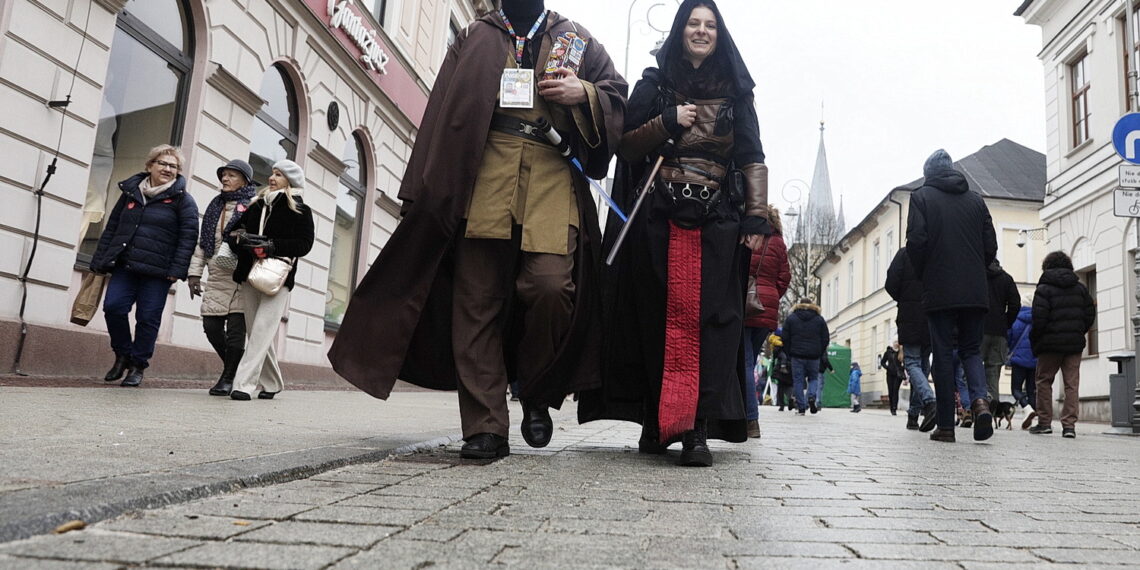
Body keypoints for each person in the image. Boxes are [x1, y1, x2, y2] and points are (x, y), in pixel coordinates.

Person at [328, 0, 627, 460]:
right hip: (483, 177)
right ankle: (485, 426)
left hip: (551, 178)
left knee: (550, 287)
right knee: (476, 303)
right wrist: (423, 190)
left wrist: (582, 93)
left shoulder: (577, 38)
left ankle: (535, 390)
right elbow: (440, 116)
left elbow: (616, 97)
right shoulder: (475, 36)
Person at [584, 0, 769, 467]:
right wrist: (667, 121)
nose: (701, 31)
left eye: (709, 25)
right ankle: (658, 419)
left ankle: (696, 429)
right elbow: (625, 147)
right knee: (656, 317)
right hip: (659, 217)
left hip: (718, 220)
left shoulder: (737, 91)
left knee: (711, 324)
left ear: (718, 33)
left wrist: (756, 218)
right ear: (680, 30)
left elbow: (752, 156)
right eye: (693, 23)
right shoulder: (655, 82)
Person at [906, 149, 998, 443]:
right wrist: (976, 270)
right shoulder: (976, 200)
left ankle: (946, 426)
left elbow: (916, 241)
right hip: (974, 289)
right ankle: (980, 403)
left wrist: (924, 273)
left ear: (928, 173)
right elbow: (990, 246)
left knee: (943, 354)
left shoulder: (921, 197)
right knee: (971, 350)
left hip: (940, 287)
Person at [90, 145, 199, 387]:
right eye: (162, 163)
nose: (167, 169)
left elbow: (189, 237)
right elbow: (113, 227)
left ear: (178, 172)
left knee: (147, 318)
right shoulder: (130, 192)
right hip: (125, 264)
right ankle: (122, 354)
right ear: (150, 165)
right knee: (113, 307)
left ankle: (138, 366)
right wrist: (100, 260)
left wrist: (176, 270)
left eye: (173, 166)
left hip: (159, 272)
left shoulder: (183, 200)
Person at [226, 160, 314, 401]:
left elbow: (304, 245)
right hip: (249, 273)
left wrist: (272, 246)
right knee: (256, 331)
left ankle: (243, 384)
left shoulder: (300, 209)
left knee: (262, 330)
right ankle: (272, 382)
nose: (272, 178)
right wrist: (242, 241)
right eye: (273, 173)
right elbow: (233, 233)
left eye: (279, 175)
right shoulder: (256, 204)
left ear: (290, 181)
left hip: (278, 277)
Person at [187, 159, 257, 397]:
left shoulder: (254, 205)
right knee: (211, 326)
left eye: (232, 175)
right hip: (216, 275)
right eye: (224, 175)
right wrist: (194, 274)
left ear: (244, 180)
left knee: (237, 330)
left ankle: (227, 378)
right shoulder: (216, 205)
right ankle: (236, 369)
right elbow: (203, 243)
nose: (225, 179)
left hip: (241, 276)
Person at [1027, 251, 1095, 438]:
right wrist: (1078, 331)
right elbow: (1090, 314)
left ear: (1047, 267)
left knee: (1043, 381)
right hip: (1073, 344)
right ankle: (1069, 426)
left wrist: (1037, 339)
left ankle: (1044, 422)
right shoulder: (1080, 288)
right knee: (1071, 384)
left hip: (1049, 344)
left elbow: (1038, 319)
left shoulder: (1044, 289)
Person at [742, 205, 790, 437]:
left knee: (744, 362)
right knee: (748, 361)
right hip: (767, 309)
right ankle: (745, 416)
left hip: (744, 304)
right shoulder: (779, 243)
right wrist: (771, 295)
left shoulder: (747, 235)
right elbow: (784, 278)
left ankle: (751, 420)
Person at [885, 247, 938, 431]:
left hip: (910, 314)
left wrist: (904, 298)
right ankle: (914, 415)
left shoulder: (905, 253)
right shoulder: (937, 251)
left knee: (912, 363)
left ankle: (930, 401)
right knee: (923, 364)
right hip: (933, 313)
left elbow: (891, 282)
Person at [781, 297, 830, 416]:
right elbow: (825, 338)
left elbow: (785, 337)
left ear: (799, 305)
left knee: (798, 380)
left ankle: (801, 407)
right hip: (814, 356)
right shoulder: (819, 319)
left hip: (797, 355)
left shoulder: (791, 318)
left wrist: (789, 353)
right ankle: (812, 397)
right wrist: (820, 351)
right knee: (813, 378)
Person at [983, 259, 1020, 401]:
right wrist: (1006, 322)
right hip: (999, 331)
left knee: (971, 370)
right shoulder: (1007, 279)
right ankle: (991, 410)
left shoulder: (978, 275)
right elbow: (1015, 304)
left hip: (978, 328)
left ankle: (973, 409)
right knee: (993, 373)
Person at [1007, 300, 1037, 429]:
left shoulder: (1016, 319)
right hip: (1035, 360)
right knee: (1031, 390)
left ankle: (1026, 407)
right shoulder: (1038, 320)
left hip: (1019, 360)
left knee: (1016, 389)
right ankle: (1029, 414)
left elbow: (1009, 337)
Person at [769, 332, 794, 411]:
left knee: (781, 387)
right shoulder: (790, 341)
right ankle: (791, 399)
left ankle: (781, 405)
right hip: (790, 365)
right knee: (789, 385)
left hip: (781, 368)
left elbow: (776, 355)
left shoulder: (777, 343)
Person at [879, 342, 903, 415]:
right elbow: (882, 362)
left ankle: (894, 408)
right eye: (895, 342)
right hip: (890, 374)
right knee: (891, 391)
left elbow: (905, 363)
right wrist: (887, 368)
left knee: (895, 390)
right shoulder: (888, 352)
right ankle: (891, 406)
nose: (896, 343)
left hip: (898, 375)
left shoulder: (901, 352)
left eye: (897, 342)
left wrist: (902, 369)